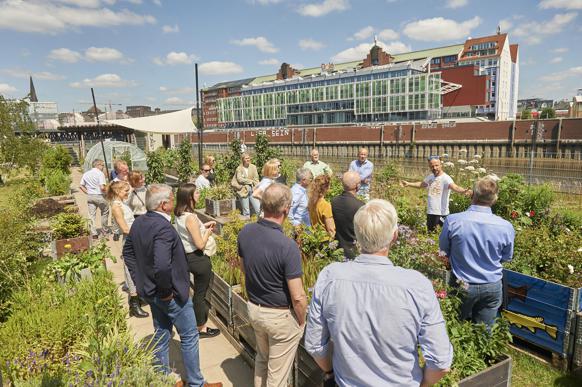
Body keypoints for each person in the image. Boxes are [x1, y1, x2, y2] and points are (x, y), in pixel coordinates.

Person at [305, 199, 453, 386]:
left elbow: (315, 345)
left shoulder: (330, 277)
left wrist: (330, 371)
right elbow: (440, 363)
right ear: (395, 235)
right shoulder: (417, 285)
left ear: (357, 236)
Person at [123, 184, 222, 387]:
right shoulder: (164, 228)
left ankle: (162, 377)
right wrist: (166, 291)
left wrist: (141, 280)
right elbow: (161, 265)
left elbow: (128, 253)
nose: (173, 202)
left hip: (150, 292)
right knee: (189, 335)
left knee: (161, 331)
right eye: (170, 199)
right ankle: (196, 383)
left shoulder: (139, 222)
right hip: (169, 295)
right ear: (163, 205)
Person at [237, 184, 307, 387]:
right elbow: (298, 296)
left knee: (262, 359)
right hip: (279, 317)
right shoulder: (287, 246)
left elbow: (244, 269)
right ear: (286, 209)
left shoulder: (246, 232)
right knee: (277, 376)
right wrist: (301, 321)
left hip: (255, 309)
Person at [439, 176, 515, 328]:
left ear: (473, 194)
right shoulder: (506, 226)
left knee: (455, 326)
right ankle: (481, 351)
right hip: (492, 285)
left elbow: (443, 250)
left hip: (462, 283)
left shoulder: (453, 221)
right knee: (484, 332)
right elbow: (506, 257)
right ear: (494, 199)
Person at [174, 184, 220, 338]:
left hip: (186, 257)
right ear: (189, 197)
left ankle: (193, 321)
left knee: (192, 293)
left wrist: (203, 226)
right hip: (198, 259)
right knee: (200, 295)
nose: (199, 194)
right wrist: (207, 232)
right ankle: (201, 328)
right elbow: (200, 244)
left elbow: (188, 232)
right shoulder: (191, 217)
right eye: (197, 192)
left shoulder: (180, 214)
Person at [107, 180, 149, 318]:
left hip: (135, 237)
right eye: (125, 191)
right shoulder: (116, 206)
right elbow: (124, 228)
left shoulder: (122, 203)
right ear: (118, 192)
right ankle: (134, 304)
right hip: (130, 240)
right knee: (130, 270)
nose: (128, 192)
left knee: (138, 268)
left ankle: (139, 297)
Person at [401, 156, 472, 232]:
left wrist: (463, 191)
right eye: (432, 166)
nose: (434, 168)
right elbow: (422, 184)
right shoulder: (430, 177)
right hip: (431, 212)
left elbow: (455, 187)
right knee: (430, 233)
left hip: (441, 213)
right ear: (429, 166)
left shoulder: (446, 178)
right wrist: (408, 184)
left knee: (443, 234)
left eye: (436, 165)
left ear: (441, 165)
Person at [331, 171, 364, 260]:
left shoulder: (334, 201)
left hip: (338, 249)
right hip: (354, 252)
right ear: (357, 186)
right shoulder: (360, 206)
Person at [79, 159, 109, 239]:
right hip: (99, 196)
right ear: (98, 165)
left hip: (90, 196)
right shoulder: (100, 174)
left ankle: (94, 233)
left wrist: (87, 192)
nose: (103, 167)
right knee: (105, 212)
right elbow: (102, 187)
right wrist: (108, 191)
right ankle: (104, 231)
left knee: (91, 215)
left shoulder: (86, 174)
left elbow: (81, 186)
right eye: (102, 165)